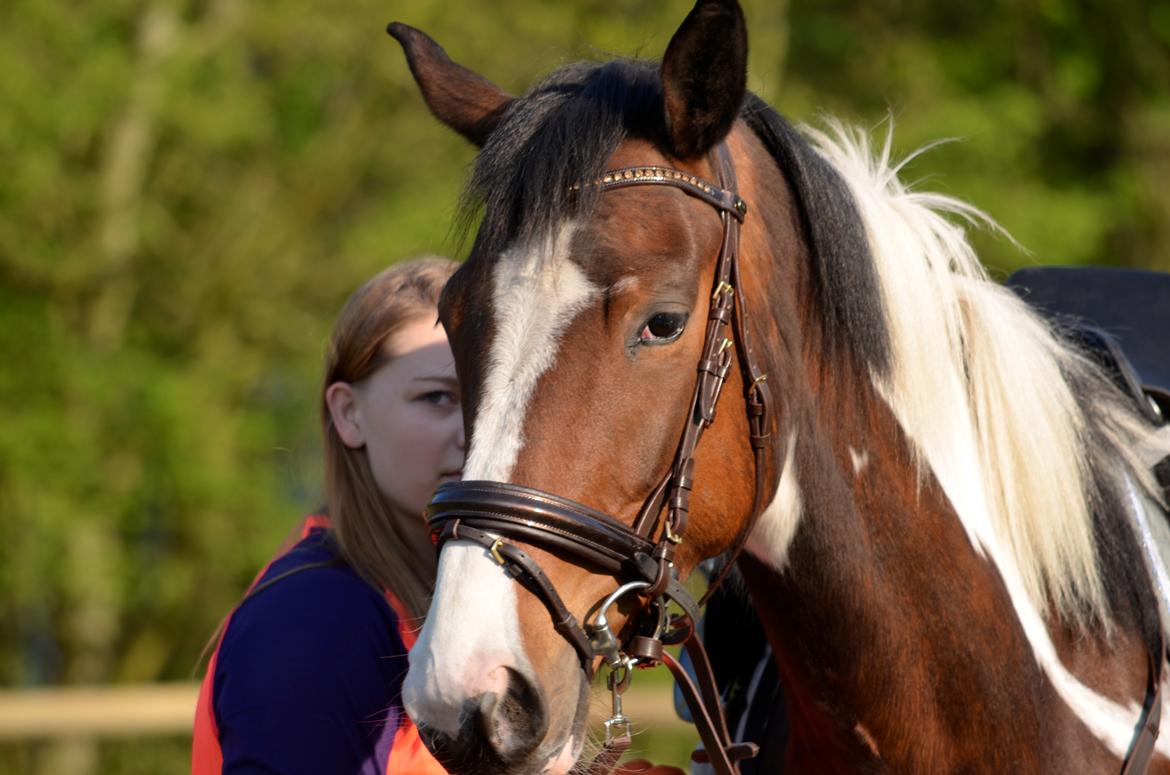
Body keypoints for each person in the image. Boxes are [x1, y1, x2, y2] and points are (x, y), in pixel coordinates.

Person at [192, 257, 462, 774]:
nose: (476, 429)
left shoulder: (449, 606)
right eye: (437, 397)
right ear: (348, 413)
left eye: (490, 396)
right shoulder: (316, 619)